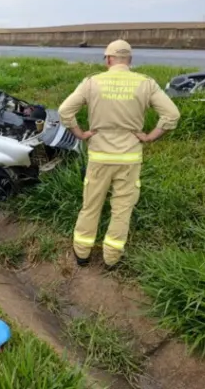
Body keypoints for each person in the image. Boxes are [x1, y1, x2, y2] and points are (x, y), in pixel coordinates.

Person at [58, 39, 180, 268]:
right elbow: (172, 115)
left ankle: (82, 254)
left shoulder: (92, 82)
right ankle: (111, 259)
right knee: (122, 208)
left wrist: (80, 133)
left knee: (91, 205)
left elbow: (65, 111)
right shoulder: (146, 84)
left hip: (99, 156)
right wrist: (150, 136)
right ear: (130, 60)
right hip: (130, 158)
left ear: (108, 59)